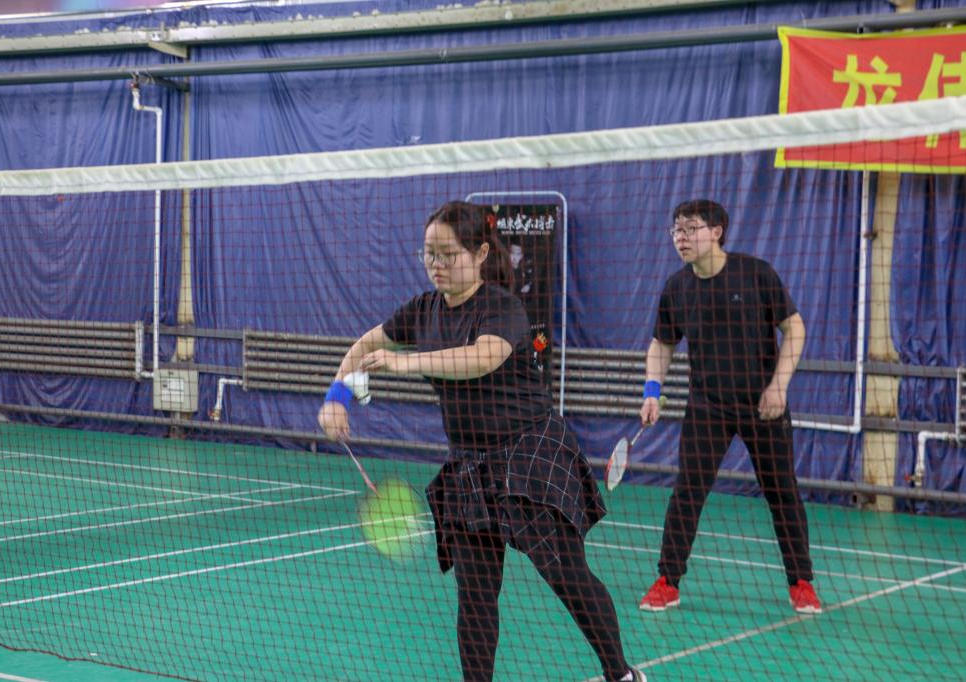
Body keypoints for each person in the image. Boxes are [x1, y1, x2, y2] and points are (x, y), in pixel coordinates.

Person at [318, 201, 645, 682]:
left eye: (448, 254)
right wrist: (336, 397)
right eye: (429, 253)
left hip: (529, 452)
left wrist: (407, 362)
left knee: (566, 575)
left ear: (480, 253)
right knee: (474, 596)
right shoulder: (422, 310)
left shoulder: (501, 307)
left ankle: (620, 674)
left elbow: (483, 357)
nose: (437, 264)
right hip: (470, 464)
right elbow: (365, 344)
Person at [638, 199, 821, 615]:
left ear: (717, 231)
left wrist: (779, 386)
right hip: (708, 407)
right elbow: (662, 344)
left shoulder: (756, 274)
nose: (681, 237)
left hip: (763, 405)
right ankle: (668, 580)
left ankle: (801, 582)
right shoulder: (677, 288)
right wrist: (651, 390)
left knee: (782, 493)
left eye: (691, 228)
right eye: (676, 230)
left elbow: (794, 327)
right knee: (687, 492)